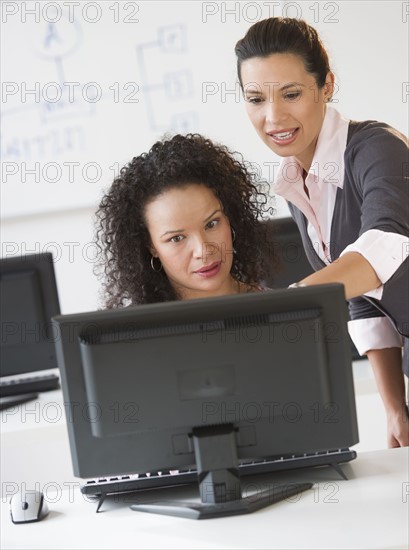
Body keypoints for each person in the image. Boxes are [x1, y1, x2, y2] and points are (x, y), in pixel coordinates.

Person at [235, 17, 409, 447]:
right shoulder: (297, 181)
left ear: (326, 85)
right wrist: (395, 411)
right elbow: (363, 304)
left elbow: (384, 248)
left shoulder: (376, 148)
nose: (273, 117)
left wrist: (294, 300)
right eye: (256, 98)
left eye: (291, 94)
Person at [95, 133, 272, 307]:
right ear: (151, 246)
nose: (203, 251)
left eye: (211, 224)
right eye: (176, 238)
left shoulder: (276, 309)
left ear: (229, 217)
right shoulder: (135, 333)